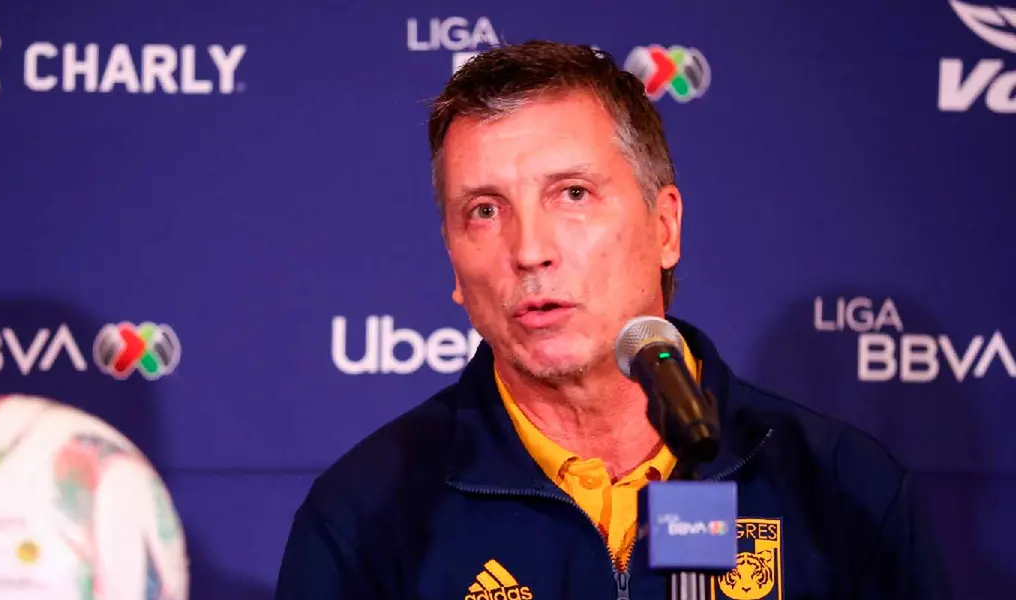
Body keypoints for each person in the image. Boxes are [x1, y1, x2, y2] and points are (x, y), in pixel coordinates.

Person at [275, 40, 950, 600]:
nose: (529, 250)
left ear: (665, 227)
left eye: (573, 194)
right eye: (484, 210)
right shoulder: (363, 518)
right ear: (453, 262)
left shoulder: (843, 489)